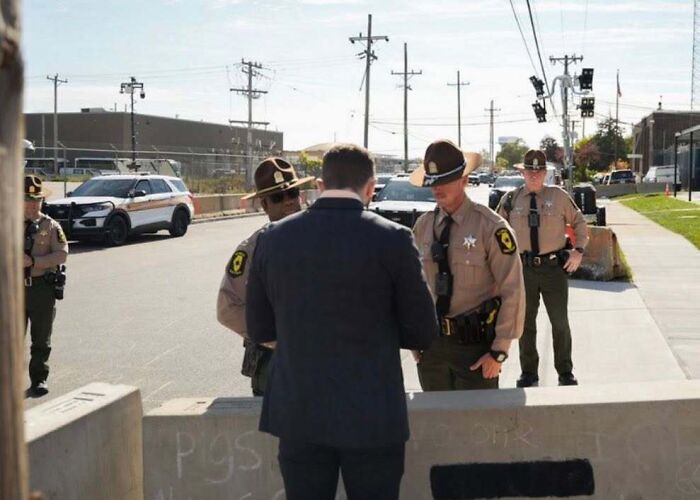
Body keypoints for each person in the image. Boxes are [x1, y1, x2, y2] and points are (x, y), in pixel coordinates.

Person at [246, 144, 438, 500]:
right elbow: (422, 331)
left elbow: (259, 329)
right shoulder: (394, 239)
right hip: (373, 416)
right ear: (371, 187)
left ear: (320, 185)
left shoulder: (273, 239)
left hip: (299, 414)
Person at [411, 139, 525, 391]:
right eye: (432, 182)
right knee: (438, 427)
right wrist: (412, 339)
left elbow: (513, 290)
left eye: (445, 181)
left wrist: (499, 352)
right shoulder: (423, 226)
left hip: (475, 349)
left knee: (478, 428)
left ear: (464, 180)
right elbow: (413, 287)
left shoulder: (490, 227)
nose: (437, 188)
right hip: (431, 347)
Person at [217, 157, 313, 396]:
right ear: (264, 205)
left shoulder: (321, 238)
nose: (289, 202)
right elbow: (227, 307)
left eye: (293, 193)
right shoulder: (252, 249)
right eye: (278, 198)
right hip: (274, 362)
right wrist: (276, 338)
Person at [497, 149, 589, 387]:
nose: (534, 175)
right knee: (525, 324)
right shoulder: (510, 200)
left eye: (539, 171)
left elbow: (579, 222)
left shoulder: (558, 197)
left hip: (553, 269)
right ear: (523, 172)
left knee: (560, 322)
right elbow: (496, 234)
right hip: (523, 270)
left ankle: (565, 372)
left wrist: (578, 251)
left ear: (545, 173)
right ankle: (528, 372)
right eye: (530, 171)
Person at [24, 175, 68, 397]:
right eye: (28, 200)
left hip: (41, 288)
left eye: (37, 200)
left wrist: (34, 262)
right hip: (12, 290)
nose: (33, 205)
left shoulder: (50, 226)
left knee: (41, 338)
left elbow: (62, 254)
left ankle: (39, 379)